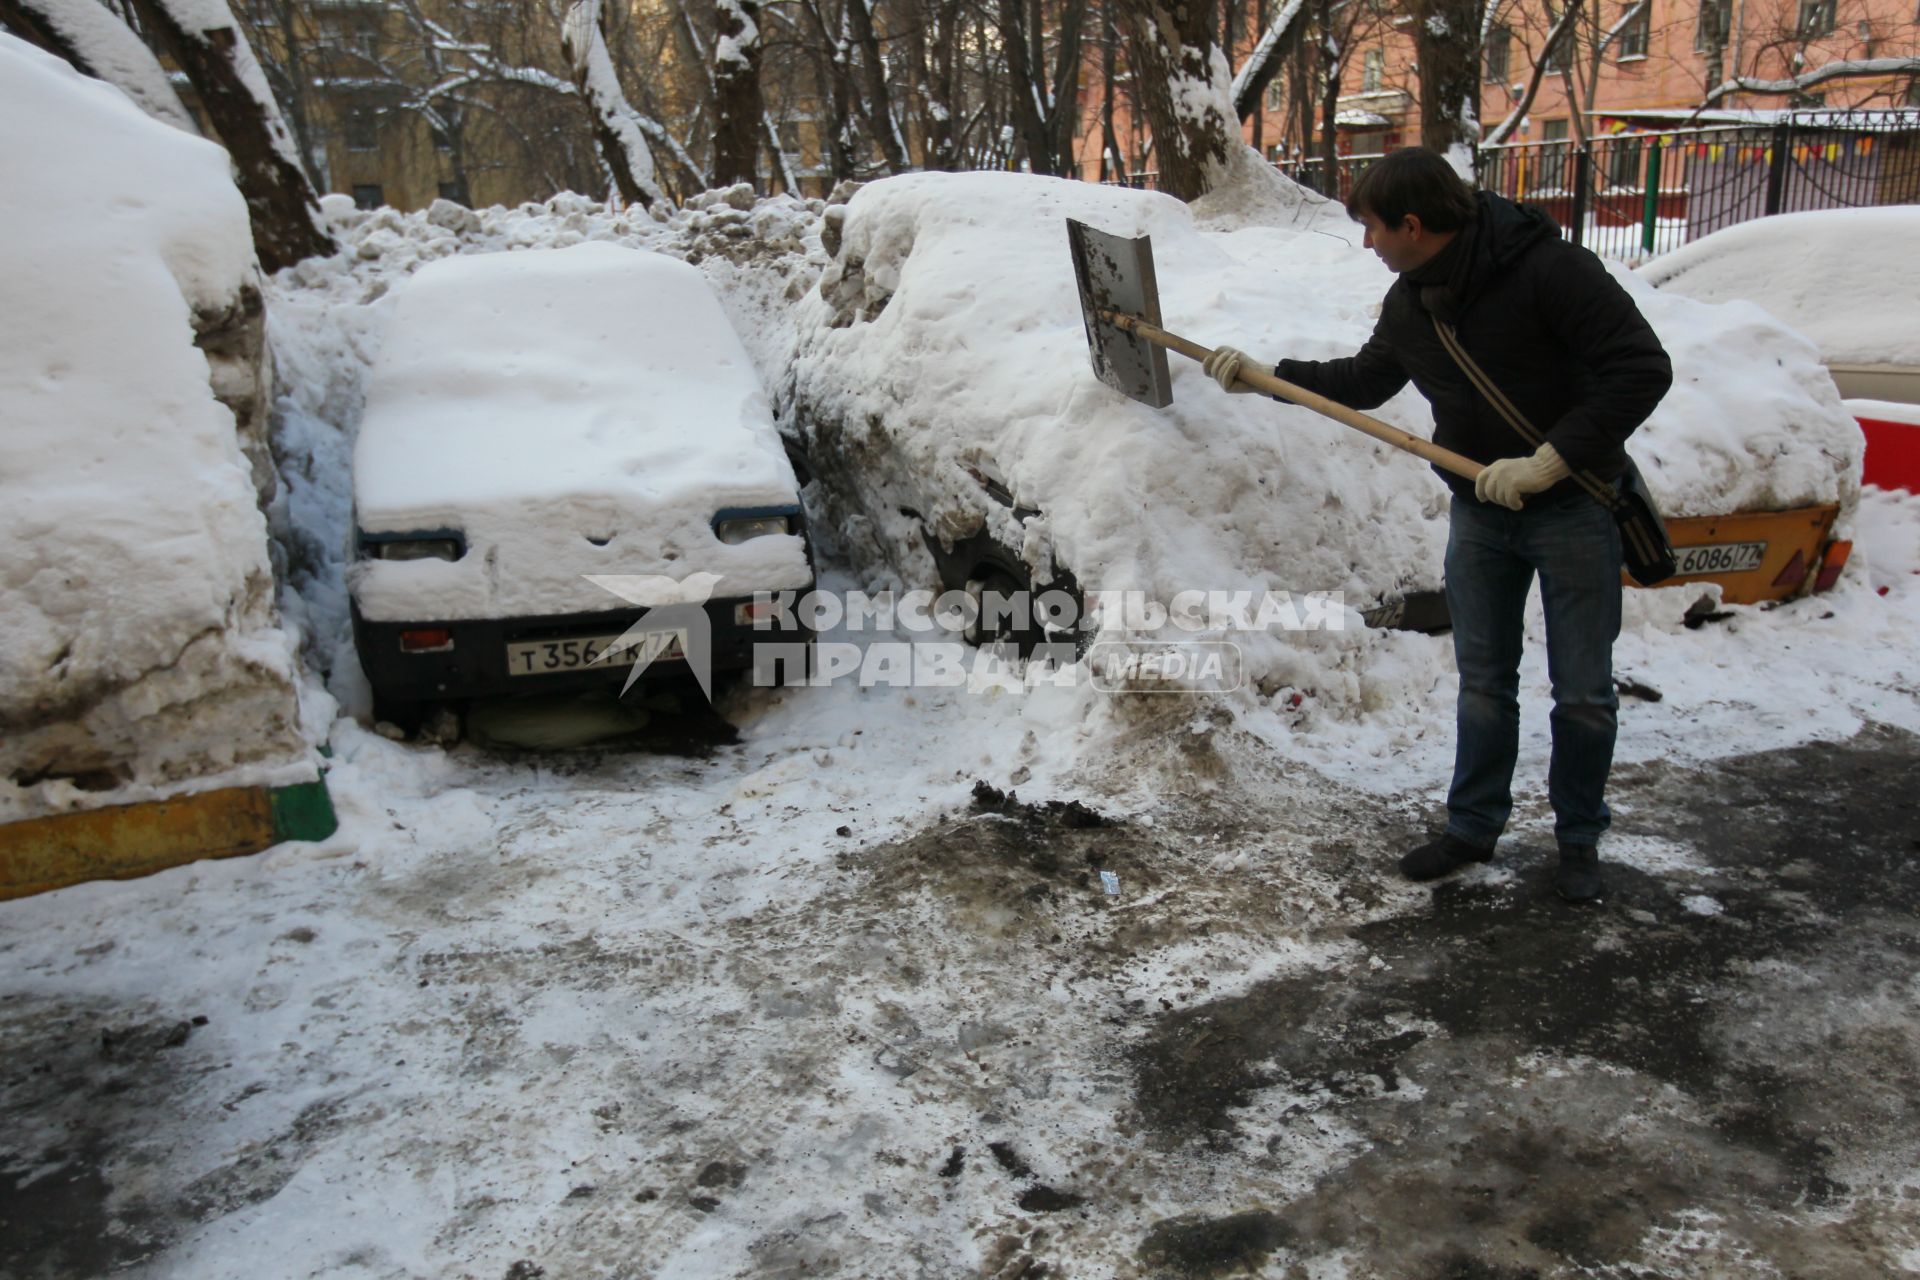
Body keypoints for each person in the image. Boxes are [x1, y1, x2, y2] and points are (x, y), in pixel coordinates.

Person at [1206, 147, 1672, 903]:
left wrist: (1548, 462)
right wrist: (1267, 375)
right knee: (1485, 685)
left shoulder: (1553, 271)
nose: (1368, 245)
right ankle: (1473, 827)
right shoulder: (1413, 300)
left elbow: (1642, 368)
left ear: (1414, 225)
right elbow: (1364, 379)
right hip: (1481, 516)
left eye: (1373, 229)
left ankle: (1579, 839)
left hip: (1574, 508)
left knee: (1583, 692)